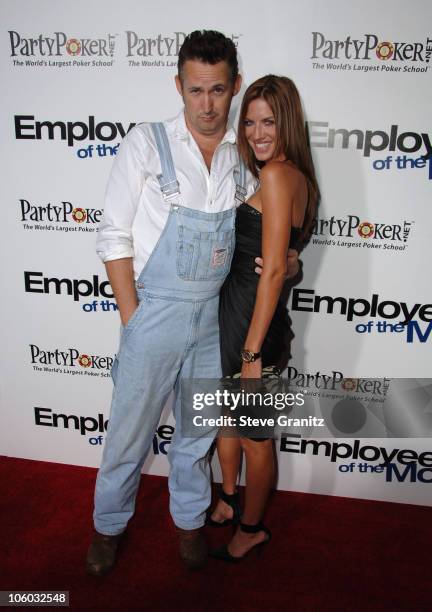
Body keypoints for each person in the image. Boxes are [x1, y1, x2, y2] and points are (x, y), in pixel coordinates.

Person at [86, 32, 299, 575]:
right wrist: (134, 320)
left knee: (196, 435)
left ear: (234, 89)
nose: (208, 105)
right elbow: (114, 235)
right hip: (153, 312)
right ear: (179, 86)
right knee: (129, 435)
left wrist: (290, 260)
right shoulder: (144, 142)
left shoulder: (242, 156)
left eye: (219, 91)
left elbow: (264, 226)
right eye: (197, 90)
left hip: (214, 317)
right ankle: (108, 528)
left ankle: (188, 524)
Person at [208, 75, 318, 561]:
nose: (256, 132)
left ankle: (251, 528)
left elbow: (274, 270)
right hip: (237, 317)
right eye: (249, 122)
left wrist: (252, 353)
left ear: (287, 122)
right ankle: (230, 501)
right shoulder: (291, 177)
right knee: (227, 423)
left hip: (256, 326)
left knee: (254, 440)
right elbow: (283, 259)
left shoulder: (277, 175)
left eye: (268, 121)